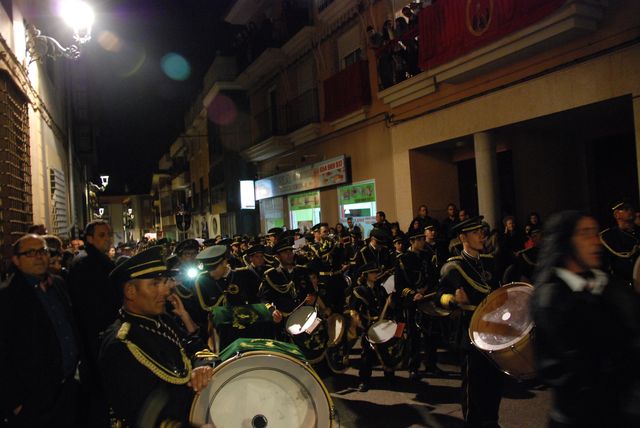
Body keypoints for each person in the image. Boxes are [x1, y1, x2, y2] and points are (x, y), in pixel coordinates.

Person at [531, 211, 640, 427]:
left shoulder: (609, 285)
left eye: (596, 233)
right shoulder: (551, 297)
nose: (595, 241)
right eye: (585, 233)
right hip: (579, 418)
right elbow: (576, 366)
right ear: (565, 241)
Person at [99, 246, 214, 427]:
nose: (165, 291)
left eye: (164, 282)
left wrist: (202, 366)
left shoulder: (163, 321)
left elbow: (196, 348)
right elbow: (145, 416)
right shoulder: (122, 343)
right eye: (155, 284)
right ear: (130, 291)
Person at [0, 235, 81, 427]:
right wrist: (14, 402)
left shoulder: (58, 284)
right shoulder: (7, 297)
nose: (39, 257)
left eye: (43, 251)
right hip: (34, 398)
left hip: (69, 388)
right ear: (16, 259)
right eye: (30, 253)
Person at [437, 216, 503, 427]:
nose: (481, 236)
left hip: (494, 330)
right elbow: (440, 296)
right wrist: (454, 300)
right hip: (470, 331)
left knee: (494, 382)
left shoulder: (491, 262)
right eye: (476, 233)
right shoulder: (454, 267)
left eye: (481, 232)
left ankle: (491, 421)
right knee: (474, 385)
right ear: (463, 237)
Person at [67, 220, 116, 427]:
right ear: (90, 238)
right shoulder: (86, 264)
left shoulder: (95, 261)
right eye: (102, 235)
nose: (108, 239)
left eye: (109, 234)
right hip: (94, 338)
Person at [600, 200, 640, 288]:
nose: (630, 211)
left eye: (631, 208)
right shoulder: (609, 236)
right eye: (625, 209)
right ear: (616, 215)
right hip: (624, 284)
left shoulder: (638, 231)